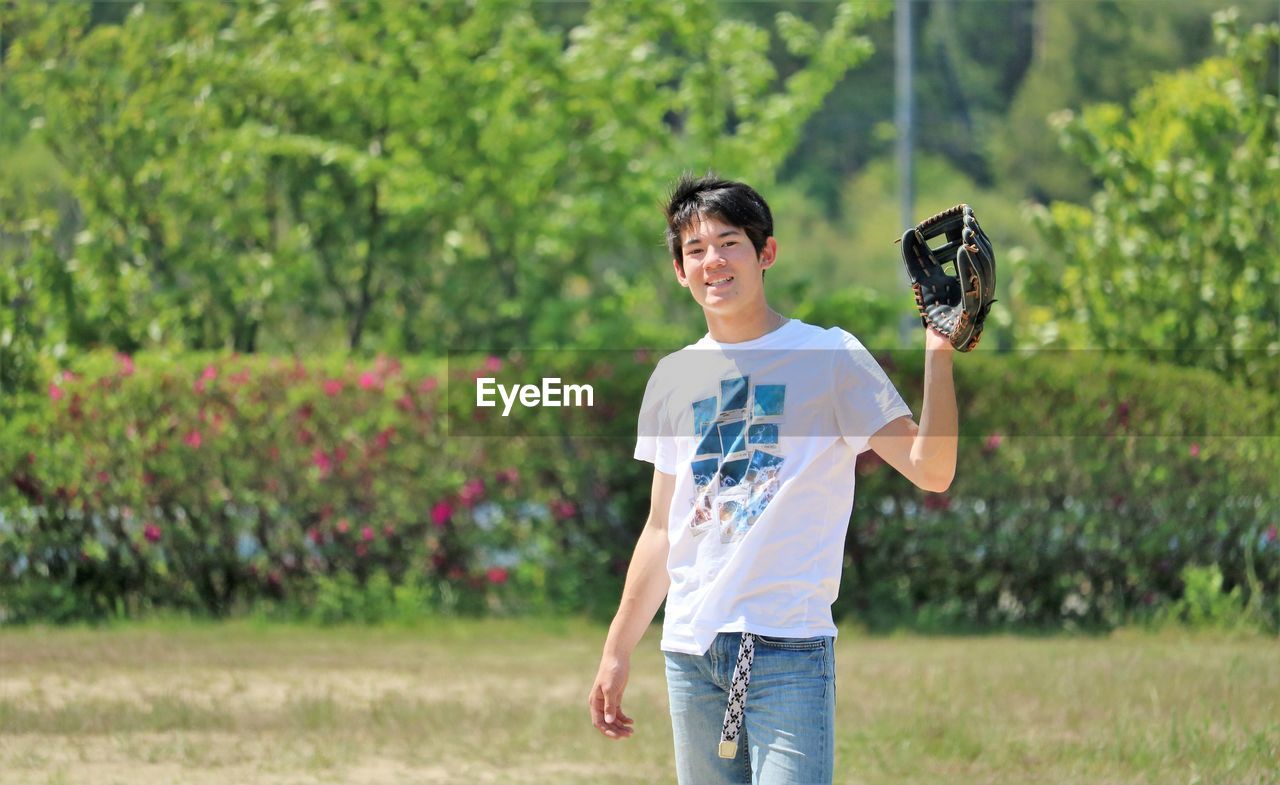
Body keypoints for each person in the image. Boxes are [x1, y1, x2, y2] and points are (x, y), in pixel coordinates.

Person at [587, 174, 959, 784]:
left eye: (729, 242)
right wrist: (616, 650)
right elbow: (661, 530)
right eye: (695, 250)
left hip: (787, 649)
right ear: (680, 271)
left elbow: (932, 468)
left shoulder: (831, 356)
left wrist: (937, 354)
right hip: (692, 653)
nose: (713, 260)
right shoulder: (673, 378)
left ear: (766, 253)